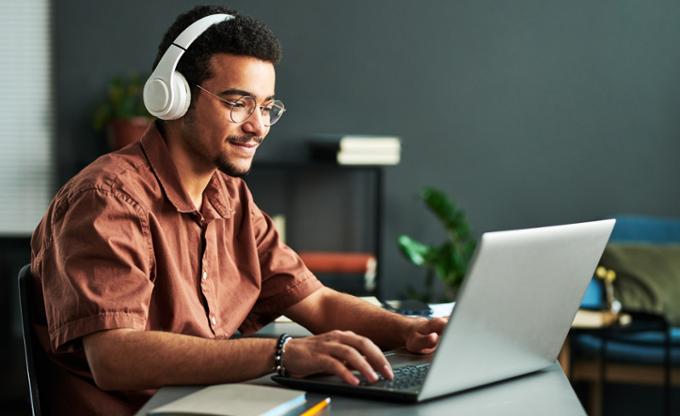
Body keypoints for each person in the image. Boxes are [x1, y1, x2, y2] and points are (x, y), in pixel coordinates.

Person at [30, 5, 446, 415]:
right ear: (173, 97)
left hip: (215, 403)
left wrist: (409, 331)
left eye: (266, 107)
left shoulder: (231, 196)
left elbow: (315, 302)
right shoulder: (106, 198)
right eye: (238, 103)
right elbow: (113, 355)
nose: (258, 126)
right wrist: (283, 354)